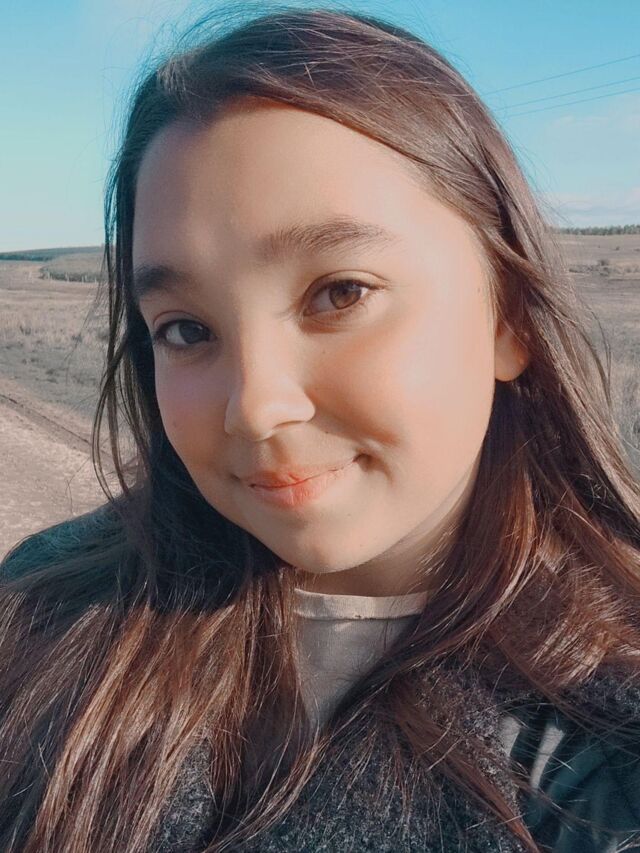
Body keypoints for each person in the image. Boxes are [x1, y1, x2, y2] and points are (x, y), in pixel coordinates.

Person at [1, 3, 639, 851]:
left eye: (340, 293)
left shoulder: (604, 751)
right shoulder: (43, 614)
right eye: (186, 329)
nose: (256, 406)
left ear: (509, 316)